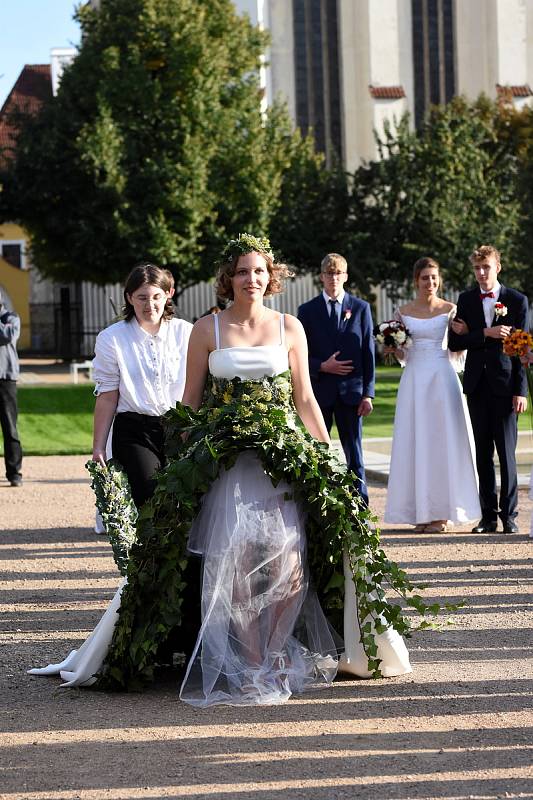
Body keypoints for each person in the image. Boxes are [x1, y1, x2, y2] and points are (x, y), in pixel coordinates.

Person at [28, 236, 411, 701]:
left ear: (271, 277)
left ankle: (275, 653)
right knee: (237, 566)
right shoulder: (206, 329)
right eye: (242, 271)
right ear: (228, 278)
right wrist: (184, 459)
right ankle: (251, 665)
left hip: (281, 459)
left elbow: (305, 398)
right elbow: (191, 400)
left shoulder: (290, 327)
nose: (251, 279)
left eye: (259, 271)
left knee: (290, 567)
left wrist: (326, 452)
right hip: (227, 462)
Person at [384, 258, 481, 532]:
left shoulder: (451, 310)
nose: (430, 283)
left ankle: (442, 513)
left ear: (440, 280)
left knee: (442, 443)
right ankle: (421, 512)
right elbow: (403, 352)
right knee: (416, 441)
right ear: (416, 280)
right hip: (414, 378)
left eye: (434, 277)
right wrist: (392, 348)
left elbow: (459, 348)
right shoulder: (403, 311)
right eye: (425, 277)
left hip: (442, 377)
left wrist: (464, 333)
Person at [92, 263, 192, 507]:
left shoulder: (187, 333)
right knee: (150, 497)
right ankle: (147, 546)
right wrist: (98, 448)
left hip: (180, 428)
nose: (150, 305)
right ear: (129, 298)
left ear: (169, 293)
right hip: (135, 430)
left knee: (183, 501)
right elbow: (107, 396)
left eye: (157, 296)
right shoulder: (111, 339)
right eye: (142, 297)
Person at [449, 245, 529, 534]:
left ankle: (510, 517)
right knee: (482, 453)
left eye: (486, 267)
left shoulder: (517, 301)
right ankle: (488, 517)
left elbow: (523, 348)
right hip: (476, 386)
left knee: (506, 455)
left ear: (498, 267)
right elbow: (455, 344)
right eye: (477, 268)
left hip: (506, 386)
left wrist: (521, 390)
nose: (481, 273)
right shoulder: (466, 299)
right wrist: (485, 333)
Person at [297, 254, 375, 505]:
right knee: (317, 451)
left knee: (354, 453)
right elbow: (298, 355)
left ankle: (359, 505)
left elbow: (368, 353)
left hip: (352, 394)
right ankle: (317, 503)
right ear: (321, 277)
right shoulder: (307, 311)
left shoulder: (361, 308)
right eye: (329, 273)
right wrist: (323, 366)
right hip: (320, 393)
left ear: (346, 276)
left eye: (338, 273)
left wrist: (368, 393)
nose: (334, 278)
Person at [0, 289, 23, 487]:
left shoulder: (11, 317)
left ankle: (14, 473)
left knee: (10, 428)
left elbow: (6, 335)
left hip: (5, 379)